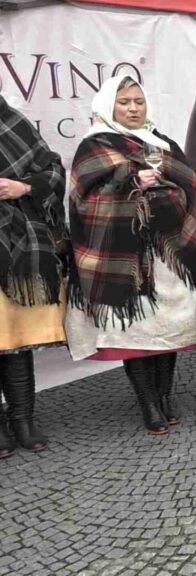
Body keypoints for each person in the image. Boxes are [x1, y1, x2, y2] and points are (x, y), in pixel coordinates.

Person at [65, 75, 196, 435]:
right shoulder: (94, 145)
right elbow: (83, 201)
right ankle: (148, 404)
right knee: (135, 333)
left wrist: (164, 191)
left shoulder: (161, 142)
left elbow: (190, 188)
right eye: (124, 102)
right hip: (125, 259)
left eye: (139, 101)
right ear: (109, 106)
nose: (133, 109)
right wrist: (132, 183)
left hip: (168, 254)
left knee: (169, 328)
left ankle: (165, 396)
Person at [0, 93, 67, 455]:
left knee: (16, 338)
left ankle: (23, 420)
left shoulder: (14, 122)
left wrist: (23, 187)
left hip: (21, 248)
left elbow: (53, 169)